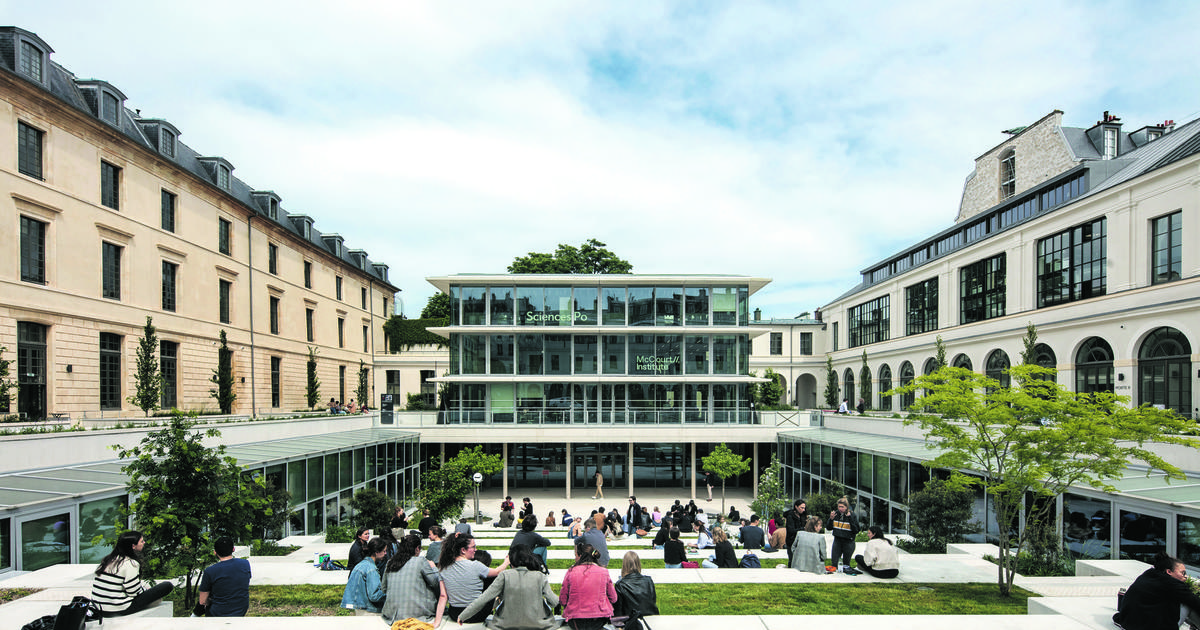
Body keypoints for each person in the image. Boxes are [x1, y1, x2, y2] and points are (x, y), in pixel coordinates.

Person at [459, 544, 559, 630]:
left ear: (511, 559)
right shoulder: (539, 576)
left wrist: (464, 615)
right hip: (538, 623)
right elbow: (554, 601)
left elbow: (484, 598)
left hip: (506, 623)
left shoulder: (504, 575)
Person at [90, 530, 173, 617]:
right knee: (167, 586)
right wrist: (145, 590)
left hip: (98, 608)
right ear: (133, 546)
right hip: (117, 609)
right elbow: (133, 592)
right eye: (141, 541)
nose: (144, 543)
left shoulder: (109, 559)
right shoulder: (130, 564)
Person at [1113, 552, 1200, 630]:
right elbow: (1195, 602)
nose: (1185, 577)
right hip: (1150, 626)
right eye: (1183, 573)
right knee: (1188, 604)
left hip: (1128, 623)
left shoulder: (1148, 575)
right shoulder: (1172, 584)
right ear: (1169, 571)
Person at [438, 532, 510, 624]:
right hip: (477, 614)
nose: (475, 550)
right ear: (463, 550)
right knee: (493, 579)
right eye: (473, 547)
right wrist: (506, 562)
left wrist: (437, 622)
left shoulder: (443, 567)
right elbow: (497, 572)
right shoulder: (475, 565)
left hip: (455, 614)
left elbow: (443, 596)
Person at [382, 534, 446, 627]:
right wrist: (434, 568)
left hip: (392, 614)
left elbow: (384, 588)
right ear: (417, 549)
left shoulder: (390, 562)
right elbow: (436, 583)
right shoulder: (420, 561)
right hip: (418, 614)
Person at [560, 540, 616, 630]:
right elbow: (613, 598)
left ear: (580, 556)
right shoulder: (604, 572)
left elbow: (563, 600)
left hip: (576, 620)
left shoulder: (571, 572)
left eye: (576, 555)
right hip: (599, 619)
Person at [197, 536, 250, 617]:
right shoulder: (245, 564)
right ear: (233, 549)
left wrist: (210, 601)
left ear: (215, 552)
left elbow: (202, 601)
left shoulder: (210, 571)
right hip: (240, 610)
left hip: (217, 613)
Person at [341, 537, 388, 614]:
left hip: (359, 607)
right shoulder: (371, 569)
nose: (385, 554)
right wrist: (388, 593)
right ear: (377, 552)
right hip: (369, 610)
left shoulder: (361, 564)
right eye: (384, 551)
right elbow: (374, 596)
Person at [614, 551, 659, 620]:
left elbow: (618, 610)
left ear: (624, 565)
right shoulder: (648, 580)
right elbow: (652, 601)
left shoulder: (620, 584)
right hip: (650, 617)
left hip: (631, 621)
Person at [827, 497, 860, 571]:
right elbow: (829, 528)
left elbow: (856, 530)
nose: (840, 508)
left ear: (846, 507)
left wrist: (850, 518)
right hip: (837, 540)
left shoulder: (852, 515)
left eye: (842, 507)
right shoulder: (836, 514)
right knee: (834, 563)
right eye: (839, 506)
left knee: (846, 564)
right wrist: (831, 519)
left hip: (848, 541)